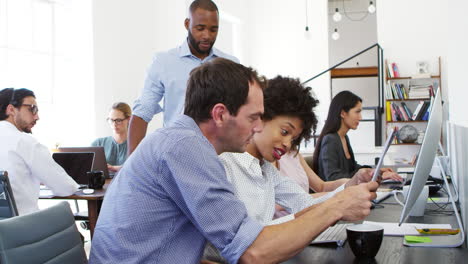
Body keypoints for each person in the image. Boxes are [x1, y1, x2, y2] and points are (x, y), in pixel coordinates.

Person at [89, 58, 378, 264]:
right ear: (219, 114)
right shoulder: (186, 149)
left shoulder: (184, 143)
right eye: (253, 118)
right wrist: (337, 205)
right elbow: (254, 253)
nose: (256, 128)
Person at [202, 76, 377, 263]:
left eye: (293, 139)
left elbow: (304, 203)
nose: (287, 144)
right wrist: (336, 206)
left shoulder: (266, 170)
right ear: (260, 119)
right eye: (285, 132)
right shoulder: (224, 163)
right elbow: (243, 247)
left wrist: (351, 186)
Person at [128, 0, 238, 154]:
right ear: (187, 24)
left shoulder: (230, 64)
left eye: (213, 30)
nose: (207, 35)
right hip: (176, 151)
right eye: (200, 28)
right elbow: (142, 113)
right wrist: (132, 166)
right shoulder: (163, 62)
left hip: (220, 154)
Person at [0, 88, 79, 215]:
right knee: (69, 221)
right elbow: (65, 188)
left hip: (4, 228)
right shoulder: (25, 142)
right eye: (32, 109)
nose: (37, 116)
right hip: (21, 227)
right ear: (11, 110)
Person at [312, 90, 401, 181]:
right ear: (343, 113)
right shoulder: (330, 140)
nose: (360, 117)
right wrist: (373, 176)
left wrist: (376, 171)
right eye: (357, 112)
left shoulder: (344, 138)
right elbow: (332, 178)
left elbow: (354, 169)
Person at [91, 102, 131, 173]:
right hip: (103, 183)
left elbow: (141, 168)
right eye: (111, 120)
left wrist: (116, 168)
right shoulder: (98, 143)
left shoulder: (137, 144)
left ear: (129, 119)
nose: (114, 124)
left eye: (118, 120)